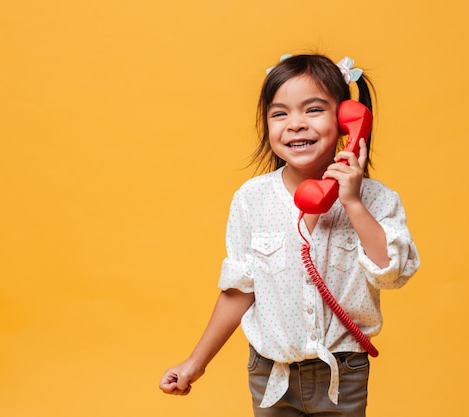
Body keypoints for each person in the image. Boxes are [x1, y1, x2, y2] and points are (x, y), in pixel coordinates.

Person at [159, 53, 420, 416]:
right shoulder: (251, 199)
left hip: (342, 373)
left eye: (313, 110)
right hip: (270, 372)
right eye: (280, 113)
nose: (295, 124)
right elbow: (239, 290)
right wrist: (195, 362)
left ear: (347, 120)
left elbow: (392, 273)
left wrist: (354, 204)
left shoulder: (377, 200)